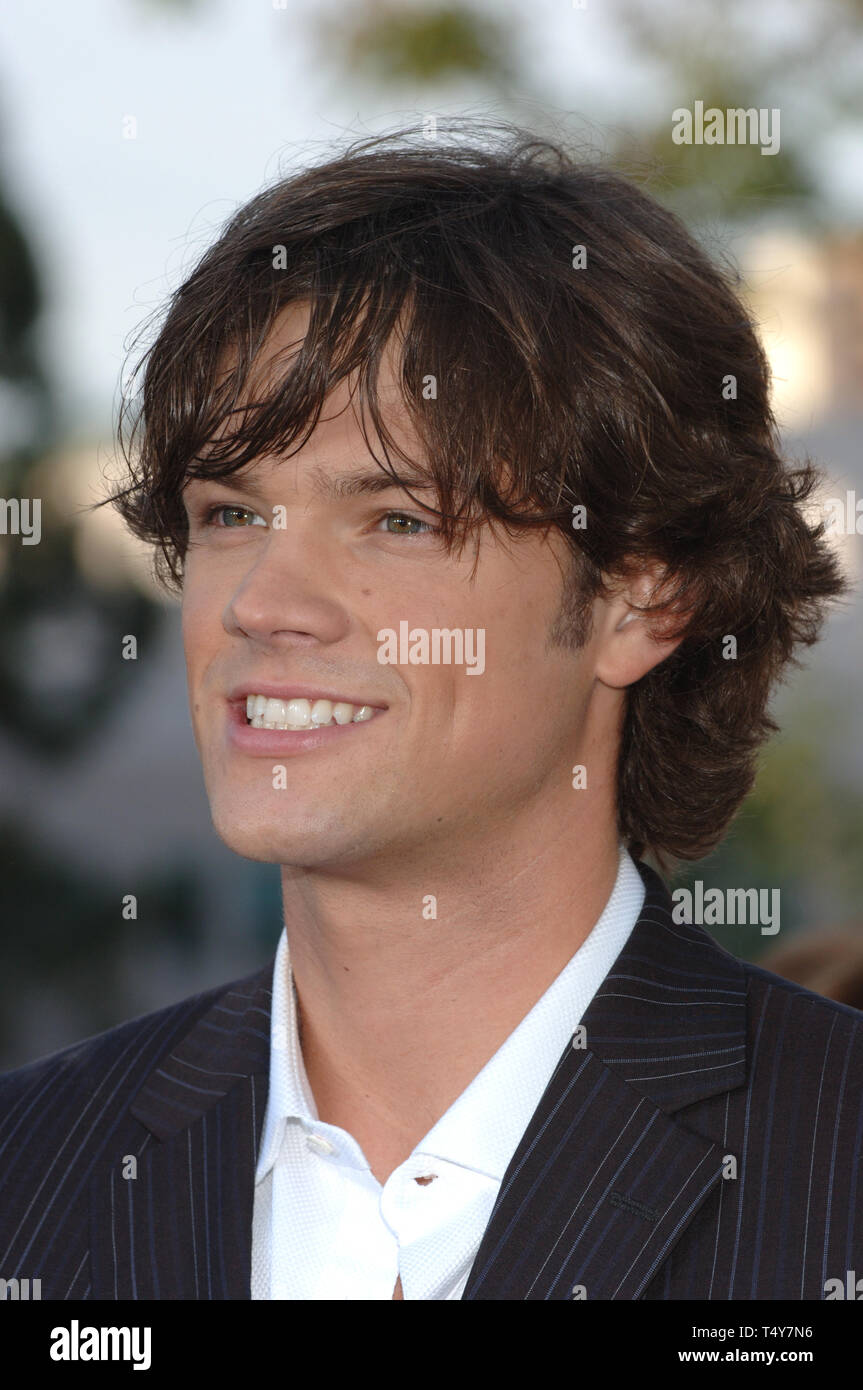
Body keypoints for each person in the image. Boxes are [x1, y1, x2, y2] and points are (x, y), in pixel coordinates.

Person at [0, 119, 858, 1301]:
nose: (262, 604)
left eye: (397, 521)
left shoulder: (831, 1165)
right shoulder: (28, 1177)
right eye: (230, 515)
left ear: (643, 595)